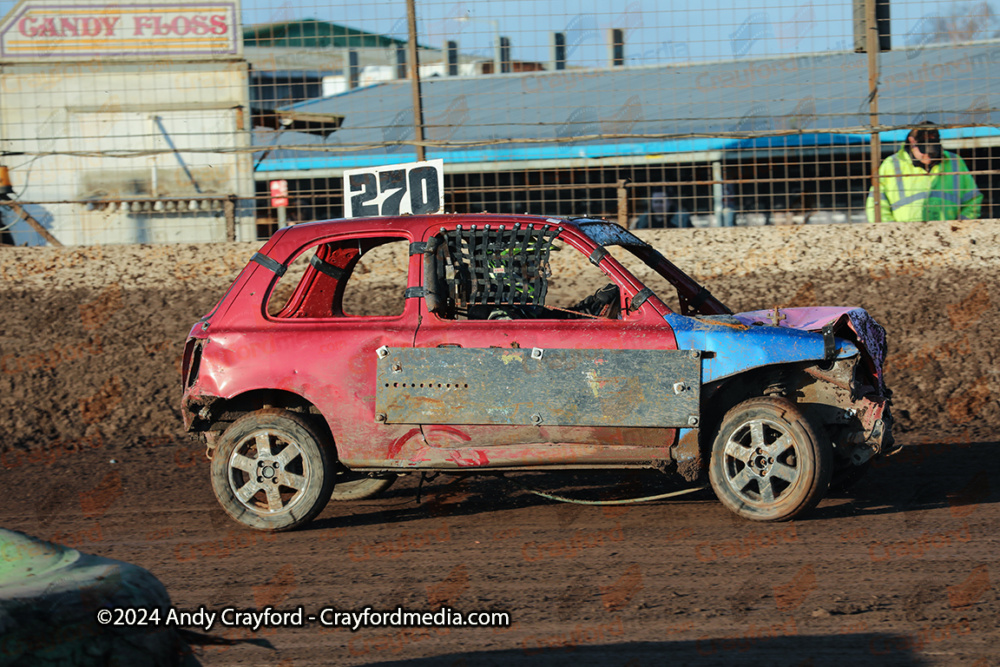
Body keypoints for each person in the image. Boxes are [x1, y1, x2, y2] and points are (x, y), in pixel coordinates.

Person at [866, 122, 982, 222]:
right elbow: (876, 204)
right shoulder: (891, 164)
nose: (928, 156)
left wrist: (960, 227)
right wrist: (892, 232)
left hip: (947, 235)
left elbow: (973, 200)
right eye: (924, 151)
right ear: (912, 142)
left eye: (932, 152)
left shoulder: (954, 162)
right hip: (904, 238)